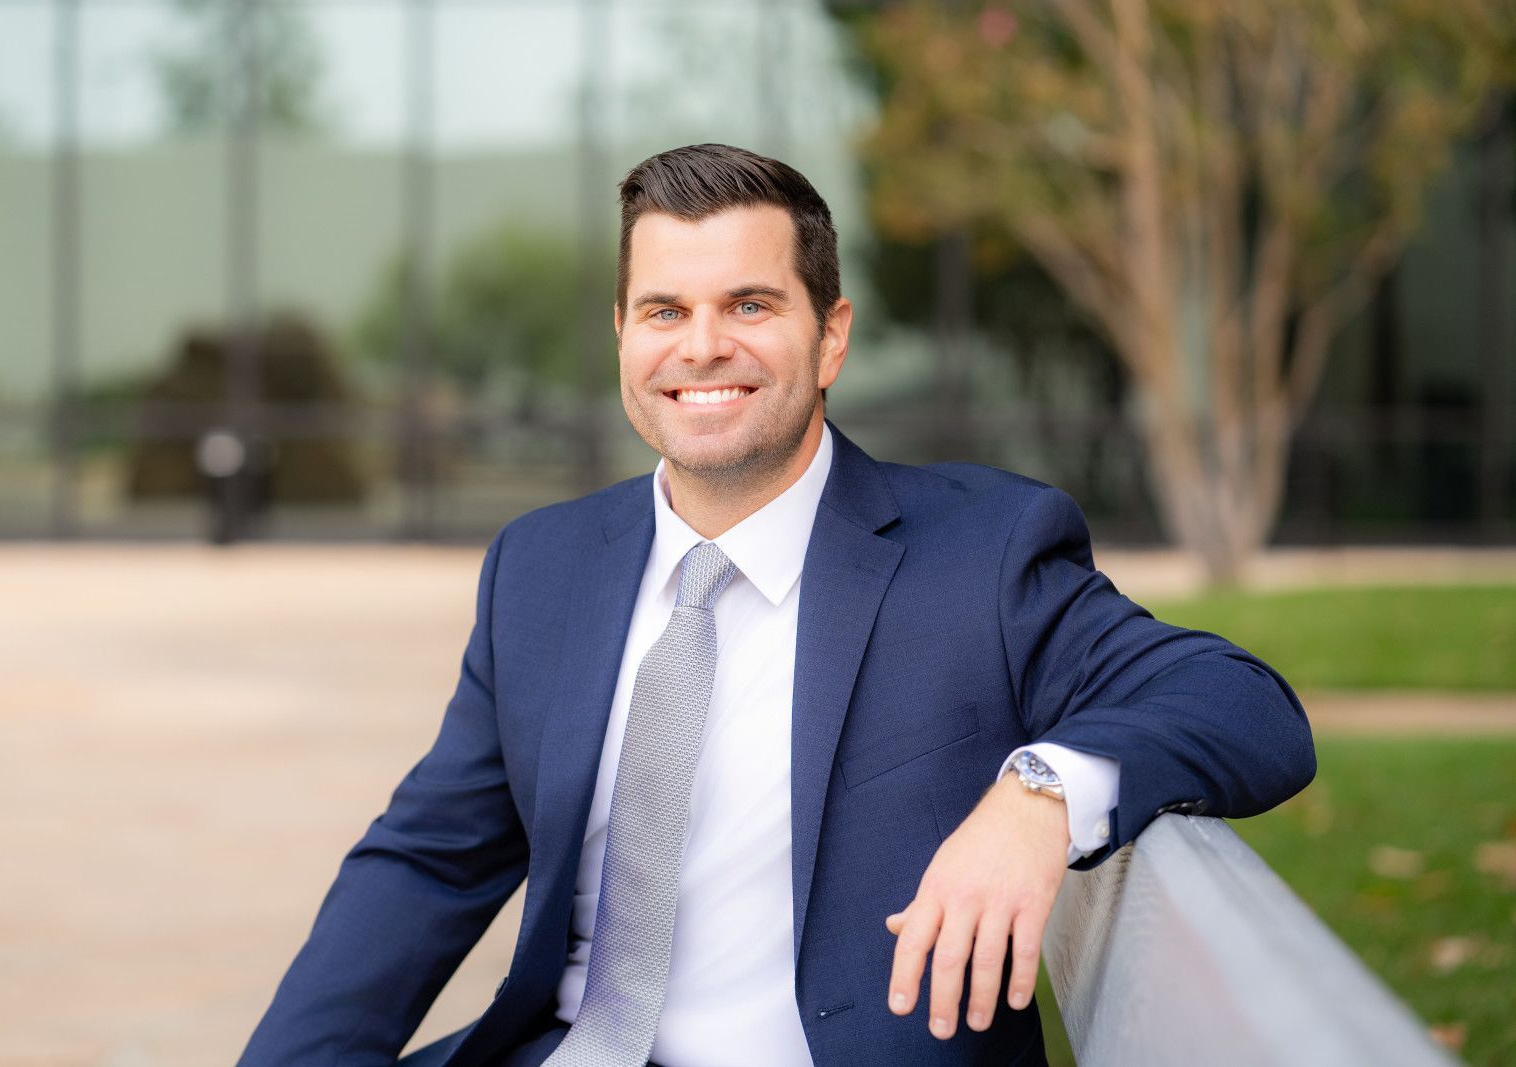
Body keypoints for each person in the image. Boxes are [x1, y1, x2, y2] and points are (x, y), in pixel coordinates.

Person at [240, 144, 1316, 1067]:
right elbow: (428, 858)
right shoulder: (544, 565)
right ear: (623, 335)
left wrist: (1037, 794)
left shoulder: (980, 554)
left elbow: (1241, 702)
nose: (701, 346)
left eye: (749, 304)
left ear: (830, 336)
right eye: (666, 309)